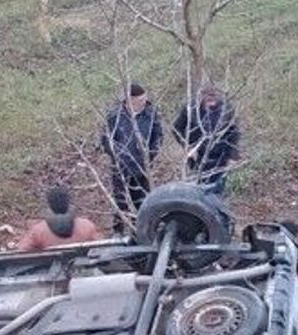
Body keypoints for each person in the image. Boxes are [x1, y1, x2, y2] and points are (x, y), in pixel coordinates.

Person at [100, 83, 163, 234]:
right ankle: (118, 230)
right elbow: (106, 140)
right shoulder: (114, 116)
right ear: (129, 101)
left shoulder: (151, 114)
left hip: (142, 167)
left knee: (142, 200)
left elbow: (158, 137)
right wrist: (117, 155)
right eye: (139, 100)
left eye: (144, 99)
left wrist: (151, 155)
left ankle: (140, 229)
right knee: (121, 200)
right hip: (121, 167)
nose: (143, 102)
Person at [172, 86, 240, 196]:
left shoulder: (227, 109)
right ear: (201, 96)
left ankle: (215, 208)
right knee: (198, 188)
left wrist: (233, 156)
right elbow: (176, 128)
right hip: (197, 156)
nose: (211, 101)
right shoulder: (191, 108)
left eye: (214, 96)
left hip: (221, 155)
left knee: (217, 189)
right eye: (208, 97)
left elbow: (235, 133)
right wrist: (188, 147)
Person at [16, 185, 102, 251]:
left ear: (49, 205)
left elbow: (20, 253)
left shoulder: (38, 231)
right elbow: (102, 248)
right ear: (68, 203)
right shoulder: (87, 227)